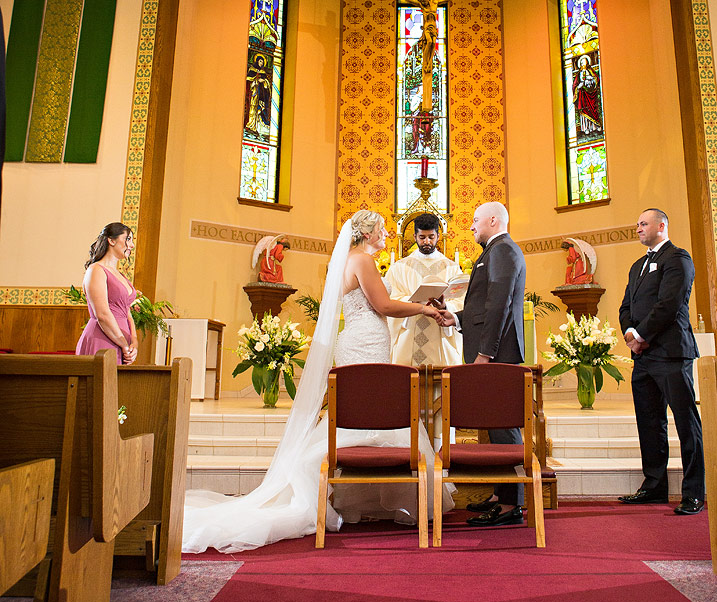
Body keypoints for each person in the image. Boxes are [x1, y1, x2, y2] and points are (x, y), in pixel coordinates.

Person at [182, 209, 453, 553]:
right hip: (366, 340)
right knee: (376, 414)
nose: (386, 235)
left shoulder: (348, 260)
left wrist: (417, 305)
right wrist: (426, 310)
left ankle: (358, 501)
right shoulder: (363, 261)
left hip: (358, 338)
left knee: (361, 415)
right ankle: (373, 496)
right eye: (382, 230)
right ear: (367, 233)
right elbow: (383, 305)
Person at [438, 202, 527, 528]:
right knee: (496, 428)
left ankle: (511, 505)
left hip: (497, 355)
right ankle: (500, 496)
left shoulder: (502, 250)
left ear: (493, 220)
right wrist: (456, 319)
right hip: (493, 352)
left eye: (476, 220)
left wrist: (485, 355)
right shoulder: (496, 250)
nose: (472, 226)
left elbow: (500, 305)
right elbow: (484, 305)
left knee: (505, 430)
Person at [618, 207, 705, 515]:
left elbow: (670, 304)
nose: (638, 228)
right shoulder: (637, 265)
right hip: (643, 357)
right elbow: (625, 305)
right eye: (637, 223)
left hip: (670, 353)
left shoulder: (678, 259)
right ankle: (654, 486)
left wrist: (641, 336)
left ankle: (694, 492)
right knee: (649, 423)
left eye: (643, 223)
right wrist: (630, 331)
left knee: (685, 423)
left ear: (662, 226)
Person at [385, 213, 466, 443]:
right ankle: (406, 444)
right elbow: (390, 300)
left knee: (441, 393)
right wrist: (414, 303)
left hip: (440, 335)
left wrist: (446, 305)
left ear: (438, 236)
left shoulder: (452, 268)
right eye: (422, 237)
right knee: (408, 393)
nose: (427, 242)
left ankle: (441, 447)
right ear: (414, 237)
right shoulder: (400, 268)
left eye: (431, 237)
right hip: (410, 333)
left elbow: (461, 299)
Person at [75, 222, 138, 365]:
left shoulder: (121, 275)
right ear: (111, 240)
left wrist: (134, 342)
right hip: (102, 338)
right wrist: (123, 343)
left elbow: (127, 312)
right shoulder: (96, 270)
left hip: (123, 343)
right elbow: (102, 314)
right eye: (128, 239)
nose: (132, 245)